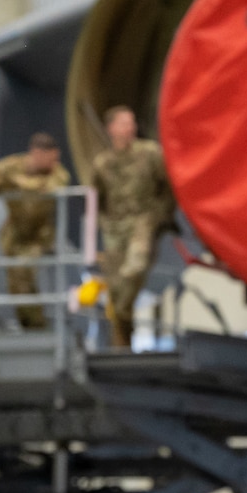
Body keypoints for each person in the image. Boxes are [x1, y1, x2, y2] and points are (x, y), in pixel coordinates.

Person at [87, 106, 175, 347]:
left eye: (132, 122)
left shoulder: (150, 153)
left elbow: (168, 186)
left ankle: (122, 337)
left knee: (134, 268)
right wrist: (97, 234)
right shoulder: (102, 164)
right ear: (111, 129)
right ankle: (123, 342)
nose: (130, 127)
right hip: (114, 230)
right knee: (116, 293)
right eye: (124, 123)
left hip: (142, 222)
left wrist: (160, 215)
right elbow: (95, 200)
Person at [0, 132, 71, 329]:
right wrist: (3, 186)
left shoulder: (58, 173)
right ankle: (30, 325)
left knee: (24, 273)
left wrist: (14, 184)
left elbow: (52, 187)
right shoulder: (11, 166)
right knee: (16, 285)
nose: (54, 162)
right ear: (37, 153)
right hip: (14, 233)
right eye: (51, 157)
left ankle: (37, 326)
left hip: (39, 235)